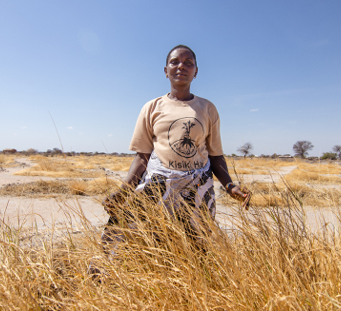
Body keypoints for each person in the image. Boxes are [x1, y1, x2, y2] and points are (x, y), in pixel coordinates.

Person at [102, 45, 250, 249]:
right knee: (136, 235)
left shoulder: (207, 108)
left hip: (196, 188)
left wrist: (231, 186)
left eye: (189, 63)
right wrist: (124, 191)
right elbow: (142, 157)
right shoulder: (152, 107)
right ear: (165, 71)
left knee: (196, 245)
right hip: (159, 184)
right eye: (175, 62)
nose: (181, 66)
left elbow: (215, 157)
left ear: (196, 72)